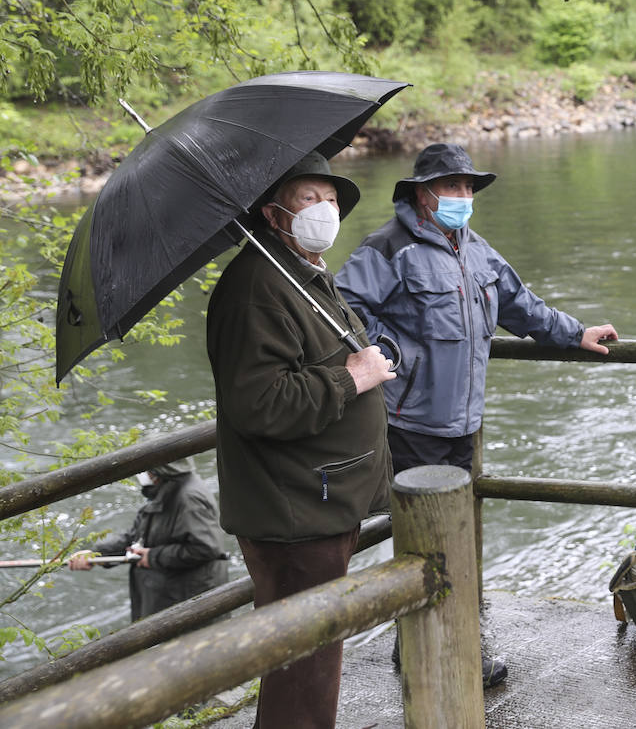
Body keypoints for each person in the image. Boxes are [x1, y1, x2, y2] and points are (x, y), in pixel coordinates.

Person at [336, 141, 618, 686]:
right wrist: (390, 351)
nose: (463, 197)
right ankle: (438, 655)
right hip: (409, 422)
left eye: (468, 188)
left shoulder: (477, 250)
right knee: (427, 543)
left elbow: (520, 305)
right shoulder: (387, 249)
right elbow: (342, 307)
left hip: (463, 423)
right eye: (452, 187)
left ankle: (433, 644)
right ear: (423, 195)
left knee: (454, 540)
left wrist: (574, 333)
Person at [206, 151, 394, 729]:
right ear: (272, 212)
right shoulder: (257, 287)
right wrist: (353, 376)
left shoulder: (300, 272)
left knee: (311, 666)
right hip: (293, 513)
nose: (326, 210)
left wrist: (362, 360)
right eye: (310, 199)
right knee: (301, 675)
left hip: (320, 501)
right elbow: (260, 403)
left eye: (332, 199)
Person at [67, 459, 229, 622]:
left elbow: (205, 548)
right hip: (167, 594)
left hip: (186, 598)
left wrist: (152, 556)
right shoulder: (165, 490)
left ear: (159, 471)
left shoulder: (189, 498)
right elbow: (136, 536)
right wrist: (96, 555)